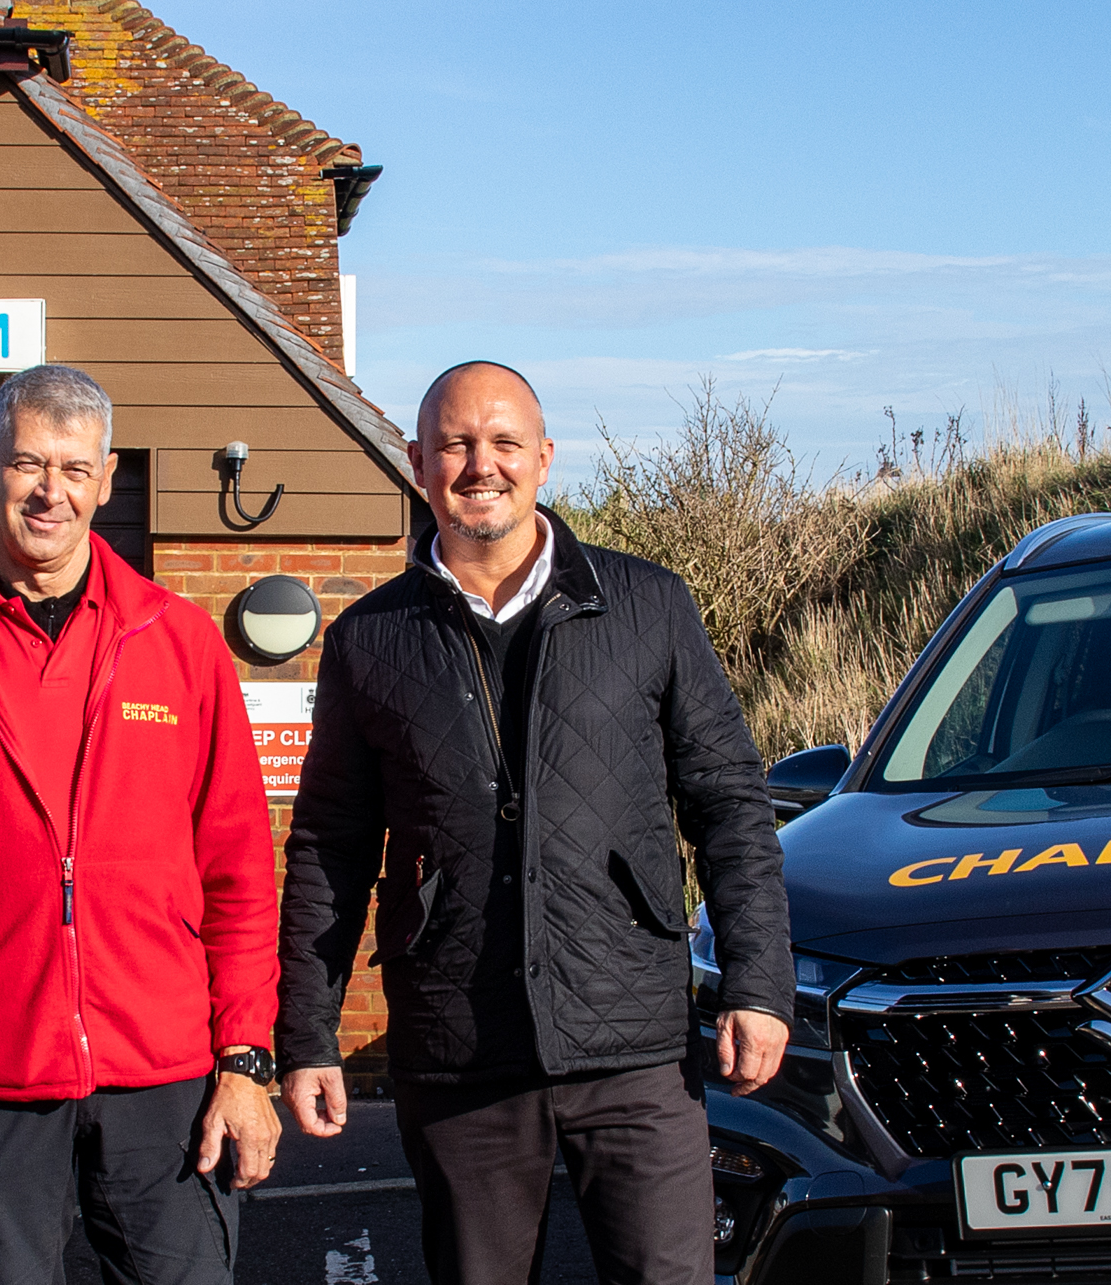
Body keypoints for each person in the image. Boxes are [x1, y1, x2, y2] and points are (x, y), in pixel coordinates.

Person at [277, 361, 794, 1285]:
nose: (483, 464)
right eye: (456, 444)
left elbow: (728, 802)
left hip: (633, 1045)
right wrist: (307, 1033)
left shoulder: (648, 605)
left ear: (545, 457)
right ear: (417, 461)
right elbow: (330, 847)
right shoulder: (369, 638)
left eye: (506, 441)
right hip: (460, 1053)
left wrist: (758, 981)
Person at [0, 365, 282, 1285]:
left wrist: (247, 1058)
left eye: (75, 468)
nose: (50, 491)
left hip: (167, 1080)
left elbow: (238, 868)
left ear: (108, 480)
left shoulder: (179, 643)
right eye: (28, 463)